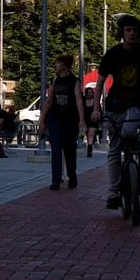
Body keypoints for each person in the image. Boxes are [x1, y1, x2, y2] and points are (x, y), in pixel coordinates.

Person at [91, 14, 140, 210]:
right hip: (115, 104)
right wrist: (96, 108)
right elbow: (99, 82)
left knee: (130, 131)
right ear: (122, 33)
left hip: (136, 103)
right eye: (128, 30)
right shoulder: (112, 54)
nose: (132, 33)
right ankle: (114, 191)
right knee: (114, 149)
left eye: (134, 30)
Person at [39, 55, 86, 190]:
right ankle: (56, 179)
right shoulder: (55, 80)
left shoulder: (74, 81)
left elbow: (78, 100)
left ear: (64, 65)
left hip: (70, 119)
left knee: (70, 149)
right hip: (55, 118)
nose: (55, 66)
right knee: (56, 148)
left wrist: (81, 120)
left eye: (57, 63)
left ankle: (72, 175)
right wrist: (42, 119)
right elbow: (49, 100)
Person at [82, 87, 98, 157]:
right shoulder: (83, 101)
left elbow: (99, 110)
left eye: (91, 92)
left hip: (93, 121)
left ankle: (89, 151)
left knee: (90, 135)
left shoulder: (95, 101)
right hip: (85, 120)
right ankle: (90, 144)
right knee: (87, 135)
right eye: (88, 92)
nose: (90, 94)